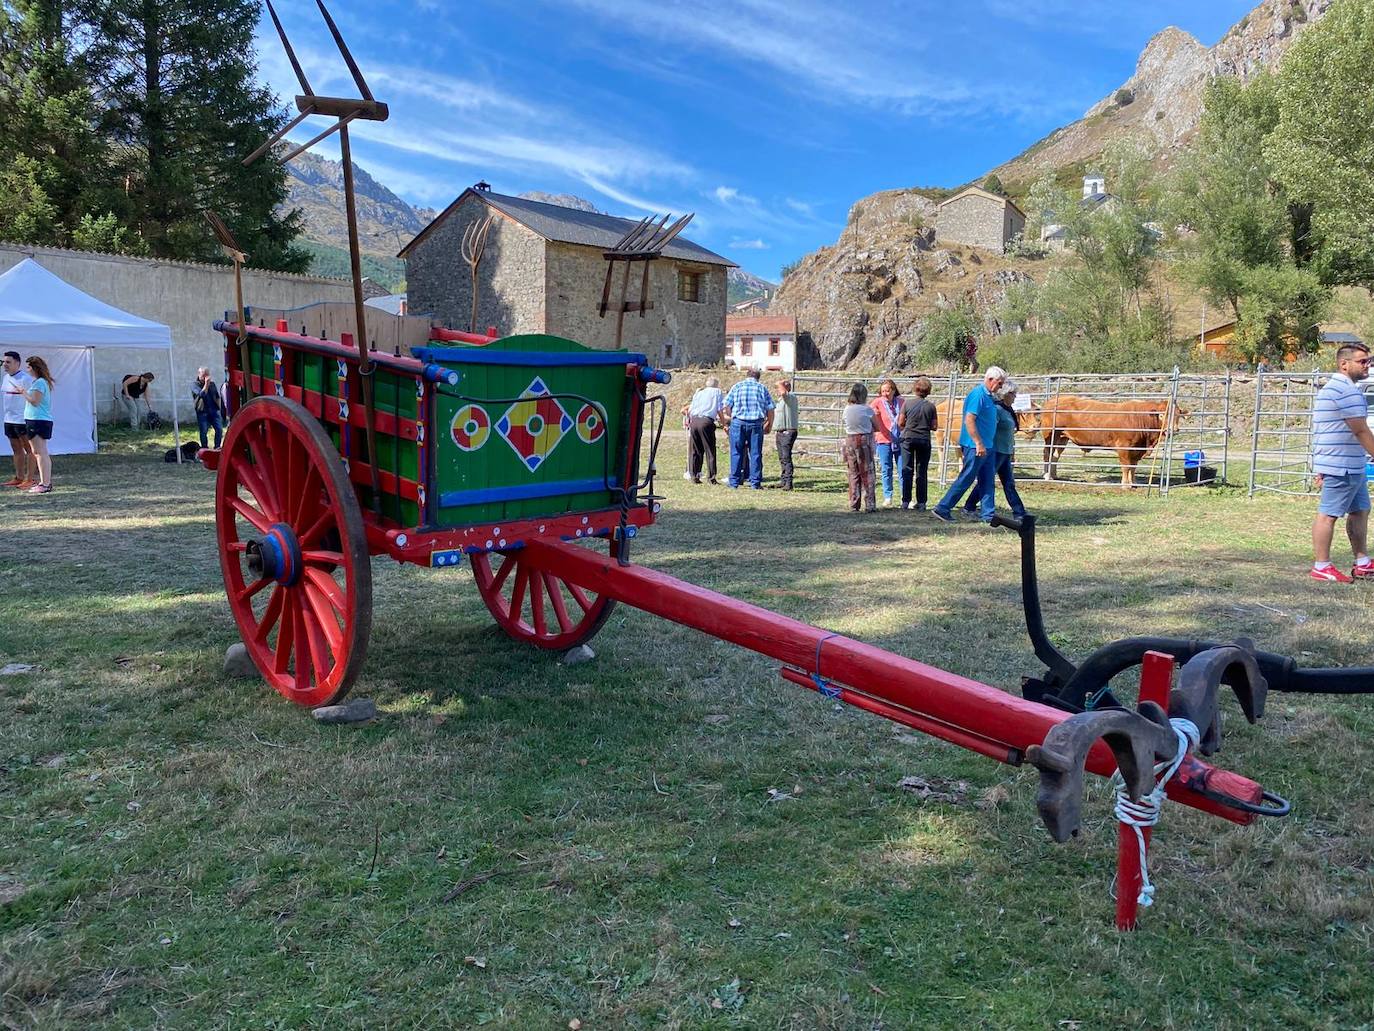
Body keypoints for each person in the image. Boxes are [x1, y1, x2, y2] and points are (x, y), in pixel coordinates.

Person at [1310, 343, 1374, 582]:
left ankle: (1363, 562)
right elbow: (1360, 430)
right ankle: (1322, 566)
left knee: (1360, 510)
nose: (1367, 365)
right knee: (1328, 515)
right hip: (1341, 465)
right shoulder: (1345, 391)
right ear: (1343, 364)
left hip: (1351, 463)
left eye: (1368, 361)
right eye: (1362, 361)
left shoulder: (1341, 388)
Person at [931, 365, 1007, 524]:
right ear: (990, 379)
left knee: (987, 481)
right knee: (966, 477)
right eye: (1000, 383)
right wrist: (978, 443)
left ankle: (988, 515)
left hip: (987, 445)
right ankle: (943, 507)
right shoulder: (978, 395)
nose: (1001, 387)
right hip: (975, 446)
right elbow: (969, 419)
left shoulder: (988, 396)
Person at [963, 379, 1027, 521]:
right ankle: (969, 506)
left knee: (1008, 483)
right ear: (1005, 394)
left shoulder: (1007, 410)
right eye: (1013, 394)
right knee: (987, 481)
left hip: (1005, 451)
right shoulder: (997, 410)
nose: (1015, 397)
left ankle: (1020, 512)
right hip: (996, 451)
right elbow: (989, 428)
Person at [720, 368, 775, 490]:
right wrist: (769, 423)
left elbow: (726, 405)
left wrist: (731, 415)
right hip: (756, 423)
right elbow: (770, 408)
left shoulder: (737, 386)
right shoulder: (762, 388)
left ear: (747, 375)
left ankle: (734, 482)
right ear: (758, 377)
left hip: (738, 422)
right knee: (755, 453)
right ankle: (755, 482)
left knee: (736, 452)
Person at [897, 375, 937, 511]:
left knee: (907, 470)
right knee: (922, 471)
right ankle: (921, 502)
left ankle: (905, 501)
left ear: (915, 389)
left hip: (908, 439)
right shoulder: (931, 407)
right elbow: (934, 426)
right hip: (924, 440)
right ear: (928, 391)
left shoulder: (907, 404)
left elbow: (900, 422)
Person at [2, 350, 36, 489]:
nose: (5, 364)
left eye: (8, 362)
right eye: (4, 362)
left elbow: (33, 398)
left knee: (30, 449)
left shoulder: (26, 379)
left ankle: (30, 479)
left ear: (17, 363)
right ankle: (19, 477)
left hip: (22, 419)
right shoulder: (5, 377)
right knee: (16, 448)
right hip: (9, 419)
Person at [841, 382, 877, 512]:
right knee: (867, 472)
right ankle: (870, 504)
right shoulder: (866, 409)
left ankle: (854, 503)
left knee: (853, 472)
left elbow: (845, 423)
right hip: (864, 440)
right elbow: (877, 426)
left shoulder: (847, 409)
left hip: (850, 439)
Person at [22, 355, 55, 494]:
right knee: (38, 452)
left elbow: (35, 401)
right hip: (35, 419)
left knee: (40, 452)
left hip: (38, 420)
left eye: (29, 367)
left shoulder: (40, 383)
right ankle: (44, 482)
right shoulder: (39, 382)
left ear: (35, 368)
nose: (27, 369)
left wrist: (23, 392)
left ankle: (45, 484)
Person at [869, 378, 904, 507]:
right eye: (883, 391)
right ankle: (887, 496)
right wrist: (874, 414)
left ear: (894, 390)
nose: (885, 393)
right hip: (883, 439)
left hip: (899, 440)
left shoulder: (901, 402)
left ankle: (904, 497)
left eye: (887, 391)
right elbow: (868, 414)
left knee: (902, 469)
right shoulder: (877, 402)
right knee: (886, 468)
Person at [683, 376, 724, 484]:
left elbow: (691, 408)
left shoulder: (699, 393)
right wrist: (724, 423)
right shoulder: (717, 392)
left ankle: (694, 475)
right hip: (706, 421)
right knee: (710, 450)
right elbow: (719, 409)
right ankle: (711, 477)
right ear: (716, 385)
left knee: (695, 450)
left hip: (694, 420)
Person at [773, 378, 800, 490]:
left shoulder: (790, 397)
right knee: (782, 457)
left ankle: (788, 482)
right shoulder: (781, 400)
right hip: (780, 432)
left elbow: (784, 392)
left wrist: (780, 382)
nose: (778, 390)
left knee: (786, 457)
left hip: (788, 431)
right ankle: (784, 480)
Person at [191, 367, 224, 448]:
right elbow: (202, 394)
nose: (206, 377)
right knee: (204, 431)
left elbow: (216, 396)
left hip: (214, 411)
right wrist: (206, 384)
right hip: (202, 411)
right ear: (199, 375)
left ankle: (217, 447)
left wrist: (220, 408)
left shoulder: (212, 384)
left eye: (207, 375)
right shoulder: (194, 384)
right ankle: (205, 448)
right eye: (204, 375)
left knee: (219, 429)